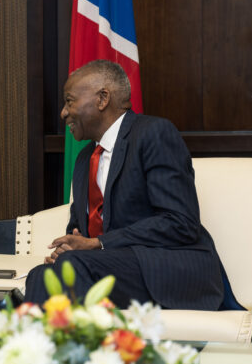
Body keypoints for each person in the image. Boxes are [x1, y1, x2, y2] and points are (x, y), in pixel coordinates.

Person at [24, 59, 226, 310]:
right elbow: (81, 232)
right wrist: (69, 246)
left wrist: (97, 243)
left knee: (69, 268)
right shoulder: (85, 158)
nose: (64, 112)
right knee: (41, 275)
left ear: (102, 98)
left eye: (69, 101)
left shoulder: (153, 134)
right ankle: (51, 348)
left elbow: (180, 223)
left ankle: (55, 347)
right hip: (106, 269)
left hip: (162, 268)